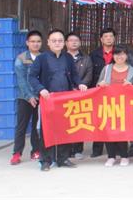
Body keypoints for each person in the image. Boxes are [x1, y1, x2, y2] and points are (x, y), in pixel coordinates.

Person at [28, 29, 88, 171]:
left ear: (64, 43)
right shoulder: (42, 58)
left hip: (65, 100)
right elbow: (32, 76)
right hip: (48, 99)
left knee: (65, 129)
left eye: (60, 40)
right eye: (54, 41)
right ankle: (46, 160)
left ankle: (62, 158)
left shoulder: (67, 57)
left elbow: (74, 75)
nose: (57, 43)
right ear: (48, 42)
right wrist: (40, 89)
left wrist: (80, 83)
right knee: (47, 130)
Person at [96, 45, 133, 167]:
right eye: (117, 54)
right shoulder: (107, 69)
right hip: (108, 104)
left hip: (125, 105)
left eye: (123, 54)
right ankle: (111, 156)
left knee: (122, 130)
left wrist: (131, 86)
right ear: (113, 56)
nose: (120, 56)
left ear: (127, 56)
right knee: (108, 130)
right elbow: (98, 85)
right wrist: (100, 85)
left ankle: (124, 156)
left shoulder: (132, 71)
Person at [10, 30, 43, 165]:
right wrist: (30, 96)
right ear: (27, 43)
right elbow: (21, 80)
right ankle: (17, 153)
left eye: (38, 41)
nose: (35, 44)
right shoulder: (21, 58)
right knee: (21, 126)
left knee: (37, 125)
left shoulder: (43, 57)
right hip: (25, 98)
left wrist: (40, 94)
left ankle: (36, 150)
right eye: (32, 41)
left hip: (40, 97)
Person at [89, 27, 116, 158]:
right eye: (106, 36)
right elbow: (90, 73)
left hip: (115, 92)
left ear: (114, 38)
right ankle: (97, 148)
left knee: (115, 119)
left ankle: (116, 148)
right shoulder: (94, 54)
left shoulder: (120, 52)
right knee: (99, 119)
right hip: (98, 91)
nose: (108, 39)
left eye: (111, 36)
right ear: (101, 39)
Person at [65, 31, 93, 160]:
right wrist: (69, 87)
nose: (74, 42)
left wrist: (81, 86)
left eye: (76, 40)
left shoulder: (86, 58)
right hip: (64, 94)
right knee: (65, 122)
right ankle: (66, 149)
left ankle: (78, 149)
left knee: (79, 121)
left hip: (80, 94)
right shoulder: (61, 58)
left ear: (80, 43)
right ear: (66, 43)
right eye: (71, 40)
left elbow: (89, 74)